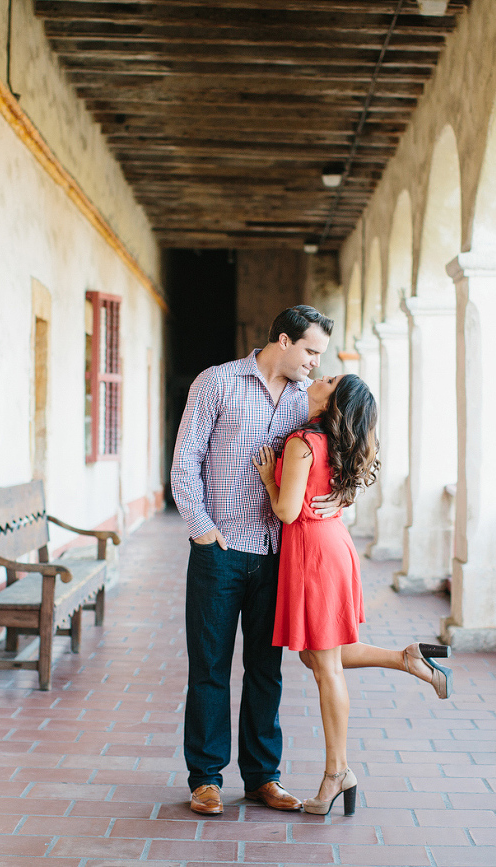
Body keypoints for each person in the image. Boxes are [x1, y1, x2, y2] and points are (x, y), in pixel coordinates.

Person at [253, 373, 453, 817]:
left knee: (325, 666)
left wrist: (269, 477)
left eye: (328, 379)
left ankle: (336, 773)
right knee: (315, 656)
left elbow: (286, 511)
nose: (317, 378)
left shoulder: (303, 442)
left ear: (333, 402)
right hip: (330, 545)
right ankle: (406, 658)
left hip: (312, 554)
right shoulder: (331, 443)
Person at [171, 305, 340, 817]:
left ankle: (264, 777)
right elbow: (184, 465)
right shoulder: (216, 383)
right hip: (219, 553)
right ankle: (205, 779)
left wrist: (343, 497)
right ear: (283, 340)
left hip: (278, 556)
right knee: (210, 669)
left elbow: (346, 448)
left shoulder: (305, 404)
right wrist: (203, 533)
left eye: (320, 356)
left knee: (267, 671)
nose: (314, 362)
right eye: (310, 350)